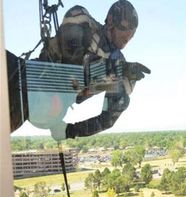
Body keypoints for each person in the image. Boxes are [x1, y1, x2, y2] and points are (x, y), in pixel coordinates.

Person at [7, 0, 150, 140]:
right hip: (31, 73)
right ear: (111, 20)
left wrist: (70, 130)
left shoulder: (121, 66)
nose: (129, 35)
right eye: (125, 27)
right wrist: (120, 69)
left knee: (20, 101)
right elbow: (73, 68)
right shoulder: (82, 19)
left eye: (132, 31)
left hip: (49, 99)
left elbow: (109, 117)